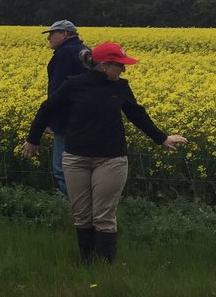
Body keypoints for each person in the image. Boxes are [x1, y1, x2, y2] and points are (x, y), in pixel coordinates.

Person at [21, 42, 187, 264]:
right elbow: (47, 108)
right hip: (75, 158)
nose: (123, 70)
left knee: (104, 217)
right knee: (82, 215)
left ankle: (105, 268)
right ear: (104, 65)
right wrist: (33, 140)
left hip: (111, 159)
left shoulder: (121, 88)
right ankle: (88, 266)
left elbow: (136, 114)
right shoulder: (74, 85)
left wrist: (162, 138)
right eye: (120, 66)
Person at [41, 19, 88, 194]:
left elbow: (57, 91)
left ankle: (74, 209)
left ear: (65, 34)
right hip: (87, 120)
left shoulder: (63, 55)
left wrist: (49, 119)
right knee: (83, 168)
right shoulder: (86, 52)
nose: (49, 38)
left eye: (52, 34)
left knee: (62, 169)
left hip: (65, 119)